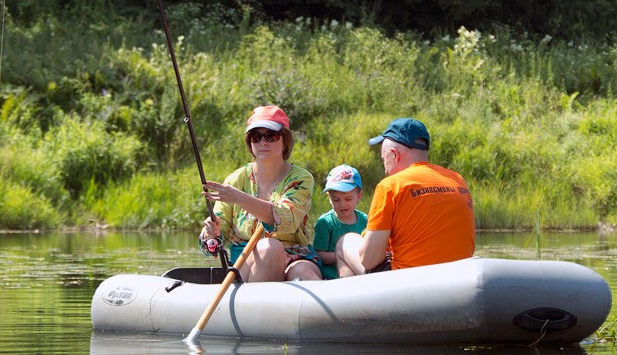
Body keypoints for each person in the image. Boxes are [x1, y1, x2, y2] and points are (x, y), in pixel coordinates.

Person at [336, 118, 474, 274]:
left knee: (345, 242)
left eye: (384, 160)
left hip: (407, 284)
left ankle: (352, 297)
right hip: (459, 278)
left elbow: (369, 260)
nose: (385, 170)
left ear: (394, 154)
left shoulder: (390, 185)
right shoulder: (457, 179)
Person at [200, 105, 322, 282]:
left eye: (271, 136)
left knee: (303, 273)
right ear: (250, 142)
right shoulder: (236, 180)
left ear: (285, 140)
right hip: (247, 258)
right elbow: (216, 240)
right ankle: (255, 307)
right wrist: (210, 234)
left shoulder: (301, 178)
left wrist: (239, 198)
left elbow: (286, 219)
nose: (263, 142)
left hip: (296, 255)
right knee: (269, 248)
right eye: (256, 137)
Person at [312, 164, 368, 279]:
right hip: (332, 277)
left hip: (359, 272)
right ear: (329, 197)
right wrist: (344, 254)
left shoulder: (365, 220)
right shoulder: (325, 223)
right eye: (336, 199)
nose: (342, 204)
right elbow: (319, 255)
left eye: (348, 199)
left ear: (359, 196)